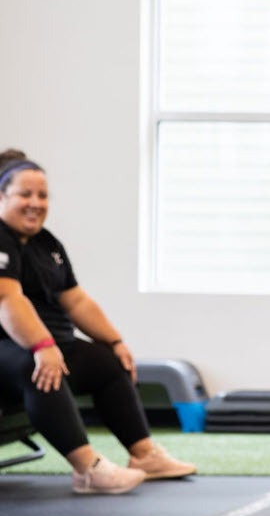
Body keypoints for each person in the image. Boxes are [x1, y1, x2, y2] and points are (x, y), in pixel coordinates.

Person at [0, 149, 197, 495]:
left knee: (107, 362)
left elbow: (76, 300)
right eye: (25, 194)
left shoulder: (47, 244)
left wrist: (115, 341)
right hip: (11, 348)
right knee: (39, 369)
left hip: (49, 344)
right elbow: (7, 299)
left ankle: (144, 455)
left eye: (42, 195)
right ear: (2, 196)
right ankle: (88, 469)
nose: (35, 203)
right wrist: (43, 346)